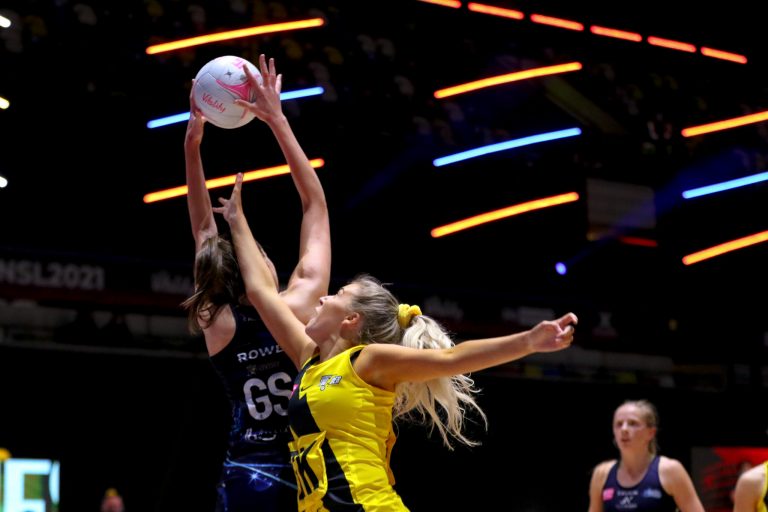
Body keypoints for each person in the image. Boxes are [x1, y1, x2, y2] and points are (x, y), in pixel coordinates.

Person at [214, 172, 578, 511]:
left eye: (336, 294)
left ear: (351, 319)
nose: (322, 298)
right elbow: (261, 292)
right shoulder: (307, 358)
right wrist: (236, 221)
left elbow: (452, 358)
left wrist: (529, 341)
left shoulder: (367, 361)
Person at [181, 54, 331, 511]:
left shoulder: (216, 319)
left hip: (247, 472)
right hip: (308, 472)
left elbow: (206, 234)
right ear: (258, 267)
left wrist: (193, 144)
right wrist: (277, 120)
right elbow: (314, 206)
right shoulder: (302, 304)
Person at [587, 399, 705, 512]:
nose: (624, 429)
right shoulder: (601, 473)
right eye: (618, 424)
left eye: (633, 423)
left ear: (651, 433)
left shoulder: (670, 470)